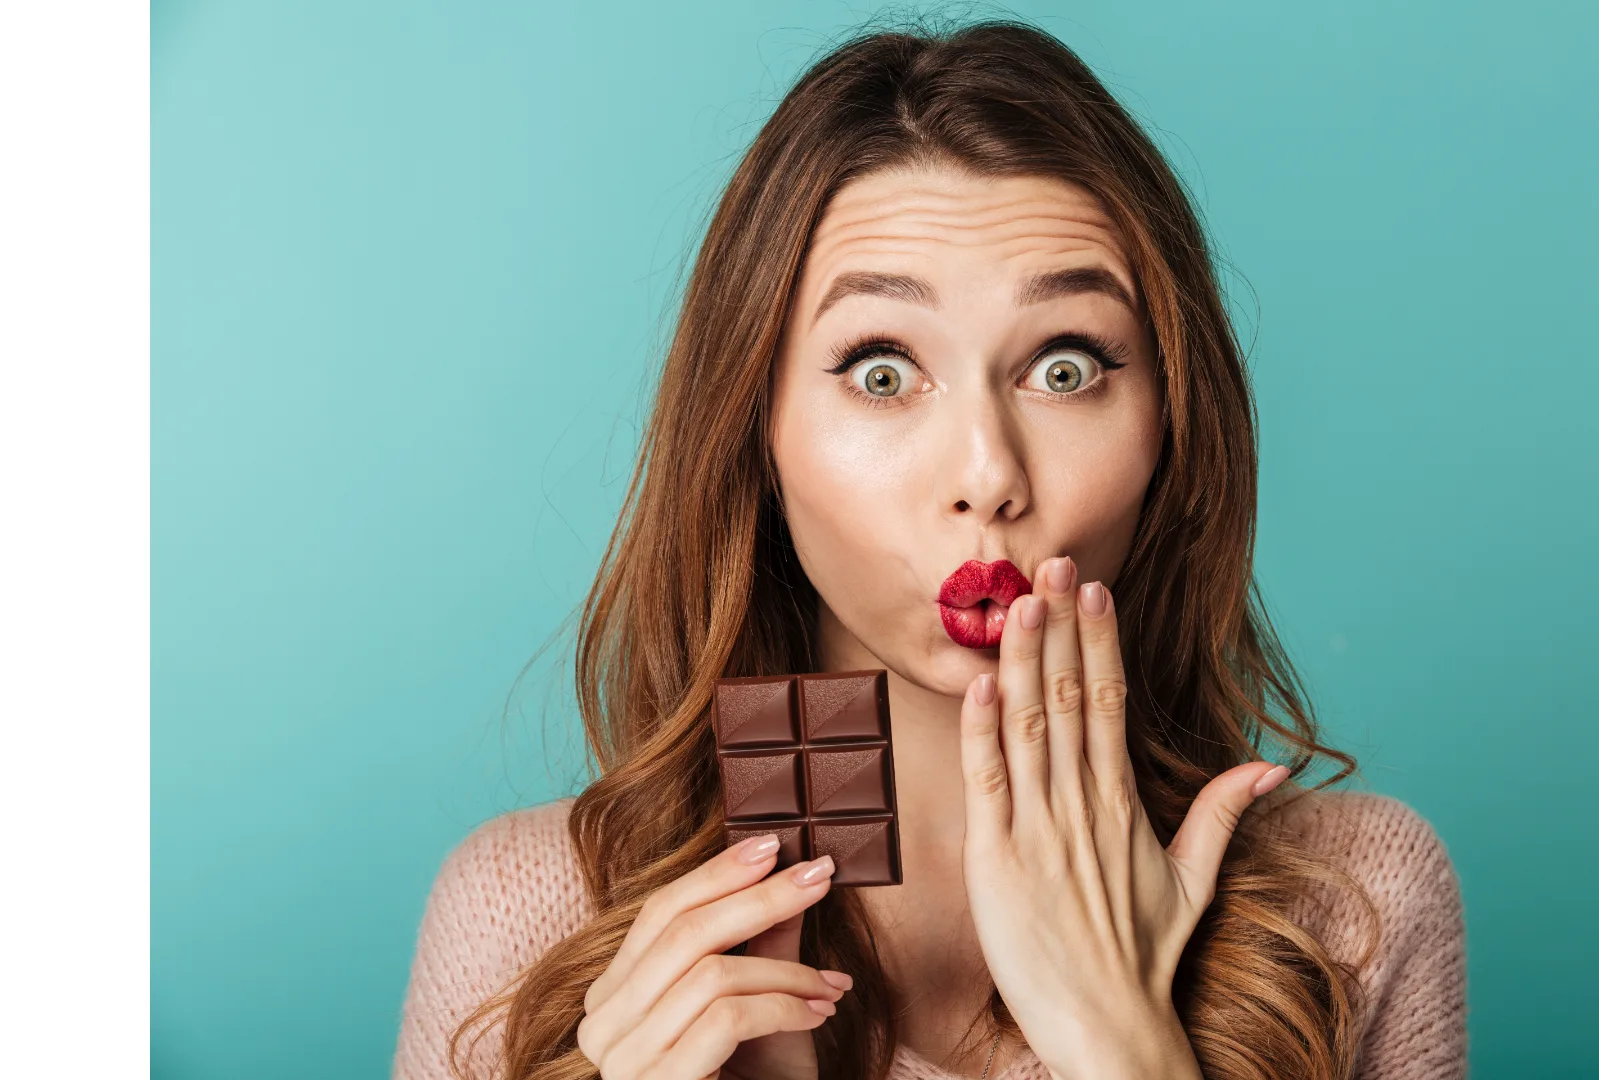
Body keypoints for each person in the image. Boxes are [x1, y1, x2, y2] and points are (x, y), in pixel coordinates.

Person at [392, 18, 1464, 1080]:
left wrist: (1132, 1055)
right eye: (882, 372)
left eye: (1064, 367)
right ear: (754, 433)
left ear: (1172, 427)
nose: (987, 474)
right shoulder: (521, 922)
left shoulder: (1355, 908)